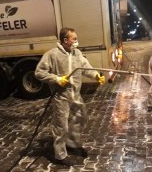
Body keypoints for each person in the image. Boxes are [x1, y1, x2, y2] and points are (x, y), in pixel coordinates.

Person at [35, 27, 105, 166]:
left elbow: (85, 67)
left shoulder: (77, 53)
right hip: (61, 97)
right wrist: (56, 79)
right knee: (61, 126)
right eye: (74, 38)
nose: (76, 41)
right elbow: (39, 72)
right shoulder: (52, 55)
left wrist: (96, 75)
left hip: (75, 95)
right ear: (65, 40)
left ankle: (73, 144)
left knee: (79, 118)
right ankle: (60, 155)